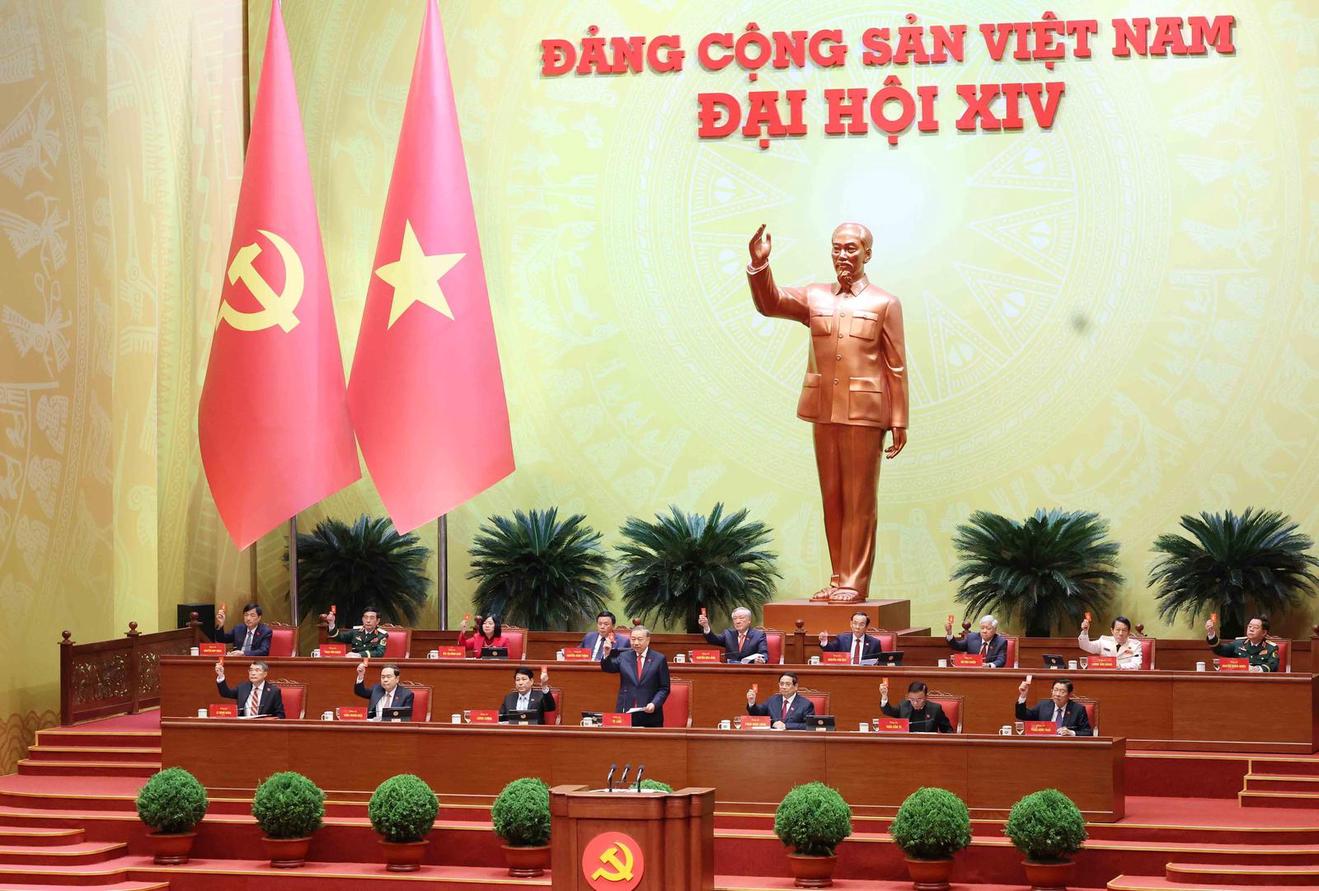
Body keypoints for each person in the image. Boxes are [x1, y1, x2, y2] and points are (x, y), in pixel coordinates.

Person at [746, 222, 908, 605]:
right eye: (837, 248)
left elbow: (896, 366)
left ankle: (854, 582)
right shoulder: (814, 296)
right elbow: (771, 303)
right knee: (832, 498)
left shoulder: (885, 303)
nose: (842, 255)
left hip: (865, 413)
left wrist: (899, 420)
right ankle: (837, 579)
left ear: (867, 253)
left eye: (851, 248)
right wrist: (759, 266)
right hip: (823, 409)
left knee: (859, 501)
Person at [601, 626, 669, 727]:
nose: (636, 643)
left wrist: (654, 703)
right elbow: (608, 668)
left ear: (648, 640)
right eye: (633, 639)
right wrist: (606, 654)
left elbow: (664, 688)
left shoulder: (659, 659)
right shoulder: (624, 656)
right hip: (626, 712)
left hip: (650, 714)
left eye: (639, 639)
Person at [1015, 677, 1093, 736]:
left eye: (1062, 691)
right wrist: (1023, 695)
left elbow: (1088, 732)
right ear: (1051, 691)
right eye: (1055, 690)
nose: (1057, 694)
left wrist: (1071, 733)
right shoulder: (1043, 706)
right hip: (1045, 745)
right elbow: (1021, 715)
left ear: (1070, 694)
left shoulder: (1078, 709)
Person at [1205, 615, 1280, 672]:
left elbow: (1273, 666)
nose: (1251, 629)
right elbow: (1219, 650)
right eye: (1250, 626)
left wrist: (1255, 669)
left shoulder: (1271, 648)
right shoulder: (1238, 643)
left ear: (1264, 632)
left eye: (1255, 627)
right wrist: (1211, 634)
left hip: (1259, 682)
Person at [214, 659, 285, 718]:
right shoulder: (242, 688)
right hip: (244, 726)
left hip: (263, 727)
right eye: (251, 670)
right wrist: (221, 675)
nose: (253, 673)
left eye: (257, 670)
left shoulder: (273, 691)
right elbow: (225, 693)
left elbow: (281, 715)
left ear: (265, 674)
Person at [746, 672, 816, 730]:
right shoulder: (772, 700)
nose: (784, 687)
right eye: (781, 684)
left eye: (787, 684)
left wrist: (786, 726)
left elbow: (810, 725)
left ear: (795, 686)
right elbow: (758, 714)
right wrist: (752, 703)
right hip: (773, 739)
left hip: (794, 739)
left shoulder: (806, 704)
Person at [698, 607, 768, 663]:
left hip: (750, 671)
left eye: (741, 618)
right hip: (730, 671)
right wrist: (706, 626)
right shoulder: (728, 634)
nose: (737, 621)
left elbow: (763, 653)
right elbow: (713, 640)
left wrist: (761, 660)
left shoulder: (758, 635)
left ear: (749, 620)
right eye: (735, 619)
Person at [880, 679, 952, 732]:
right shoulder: (904, 706)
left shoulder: (935, 709)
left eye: (919, 699)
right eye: (912, 699)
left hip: (928, 745)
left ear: (926, 697)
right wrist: (884, 696)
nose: (915, 703)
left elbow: (947, 730)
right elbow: (888, 711)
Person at [1078, 615, 1143, 670]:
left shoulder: (1135, 645)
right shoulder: (1104, 641)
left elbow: (1136, 665)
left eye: (1124, 630)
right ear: (1112, 631)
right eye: (1118, 630)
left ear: (1128, 632)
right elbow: (1086, 646)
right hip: (1105, 677)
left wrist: (1119, 666)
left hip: (1125, 677)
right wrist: (1085, 632)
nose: (1120, 633)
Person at [818, 611, 886, 664]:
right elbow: (830, 651)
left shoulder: (874, 643)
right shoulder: (842, 639)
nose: (857, 627)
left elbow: (879, 662)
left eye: (861, 624)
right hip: (845, 673)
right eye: (855, 623)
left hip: (865, 674)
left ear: (866, 627)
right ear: (851, 624)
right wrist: (824, 642)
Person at [325, 606, 389, 658]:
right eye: (365, 617)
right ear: (362, 619)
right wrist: (331, 623)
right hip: (354, 663)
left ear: (377, 621)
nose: (368, 621)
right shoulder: (356, 631)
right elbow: (338, 637)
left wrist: (360, 655)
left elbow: (379, 652)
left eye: (371, 618)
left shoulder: (381, 635)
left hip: (370, 664)